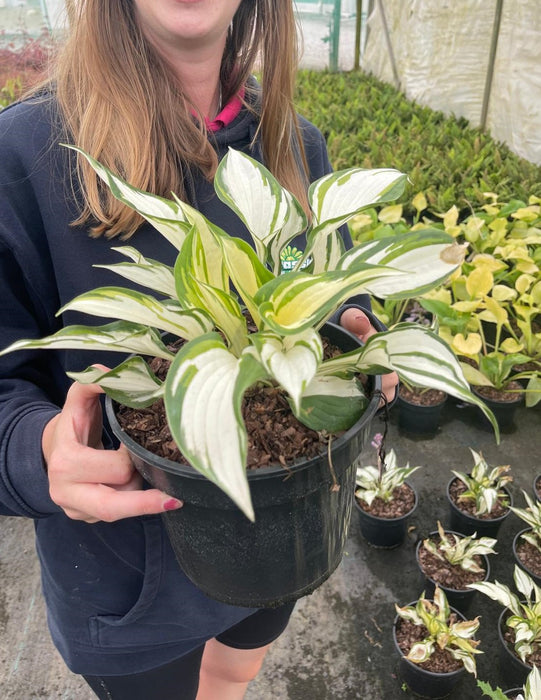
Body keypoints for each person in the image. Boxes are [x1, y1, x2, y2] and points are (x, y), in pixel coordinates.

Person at [0, 1, 398, 698]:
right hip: (131, 597)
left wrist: (351, 325)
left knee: (233, 673)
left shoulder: (295, 145)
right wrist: (38, 453)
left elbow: (318, 289)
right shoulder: (24, 154)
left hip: (283, 548)